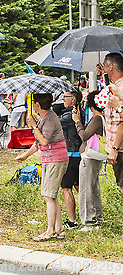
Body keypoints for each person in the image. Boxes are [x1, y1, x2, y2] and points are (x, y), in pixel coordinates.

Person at [15, 94, 68, 241]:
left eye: (32, 102)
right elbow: (37, 144)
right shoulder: (44, 118)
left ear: (37, 104)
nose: (31, 105)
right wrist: (25, 156)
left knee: (48, 196)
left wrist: (33, 125)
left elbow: (44, 141)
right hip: (49, 160)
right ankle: (59, 229)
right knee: (51, 195)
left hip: (56, 160)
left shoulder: (50, 118)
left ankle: (50, 231)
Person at [72, 90, 104, 231]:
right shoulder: (102, 118)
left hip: (89, 157)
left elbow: (84, 135)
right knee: (94, 188)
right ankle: (97, 218)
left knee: (85, 190)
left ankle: (89, 222)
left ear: (91, 106)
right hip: (95, 157)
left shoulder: (96, 119)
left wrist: (77, 122)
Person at [59, 90, 84, 230]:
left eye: (65, 97)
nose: (63, 99)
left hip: (70, 155)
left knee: (66, 188)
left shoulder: (70, 115)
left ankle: (72, 221)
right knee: (79, 186)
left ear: (73, 99)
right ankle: (86, 216)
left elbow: (56, 125)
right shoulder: (79, 112)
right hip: (78, 154)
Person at [103, 52, 123, 196]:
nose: (103, 69)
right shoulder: (114, 87)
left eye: (104, 65)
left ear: (111, 67)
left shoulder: (119, 89)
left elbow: (121, 122)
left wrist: (115, 148)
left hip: (120, 149)